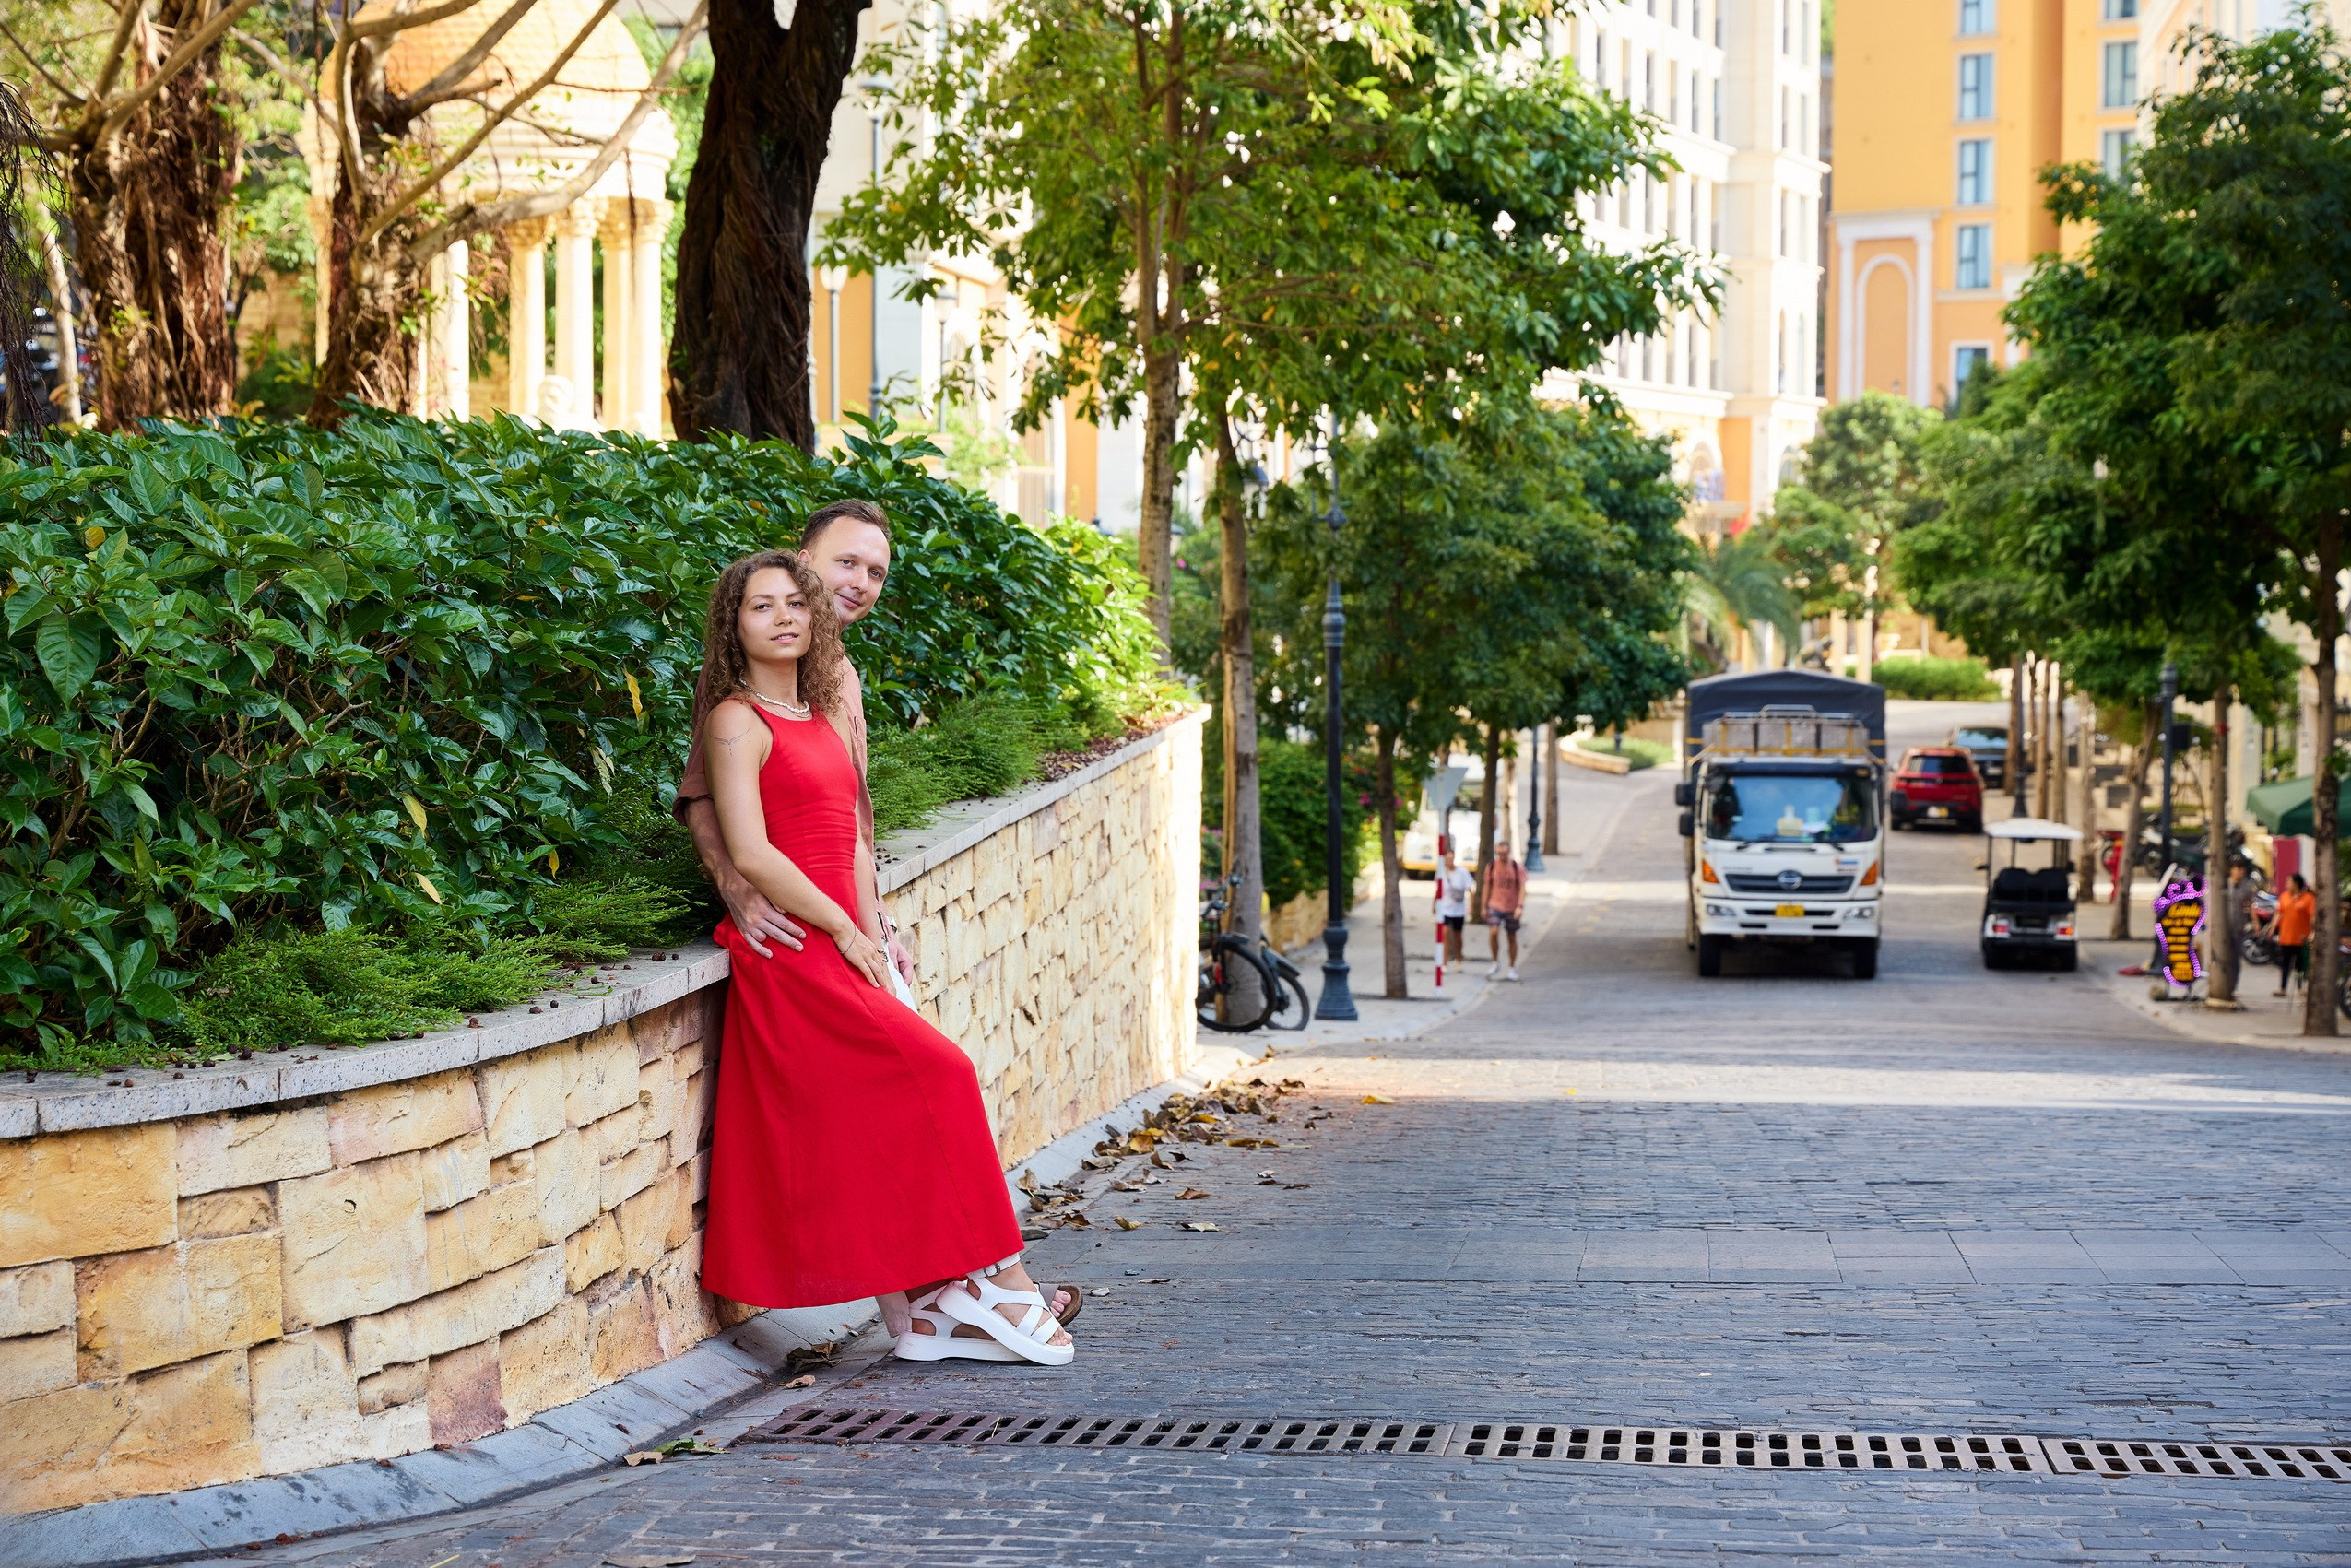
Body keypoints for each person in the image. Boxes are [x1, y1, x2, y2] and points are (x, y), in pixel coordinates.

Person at [694, 550, 1075, 1366]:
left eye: (796, 603)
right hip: (797, 949)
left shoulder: (822, 713)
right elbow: (753, 852)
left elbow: (851, 839)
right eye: (761, 607)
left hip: (846, 942)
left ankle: (932, 1315)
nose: (784, 617)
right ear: (734, 626)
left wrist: (873, 929)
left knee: (895, 1111)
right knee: (941, 1076)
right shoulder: (736, 719)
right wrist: (843, 928)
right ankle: (1001, 1283)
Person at [1482, 838, 1527, 981]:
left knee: (1511, 937)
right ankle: (1495, 961)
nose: (1501, 857)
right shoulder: (1492, 866)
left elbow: (1523, 888)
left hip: (1512, 906)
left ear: (1509, 853)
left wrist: (1520, 906)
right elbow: (1486, 886)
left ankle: (1512, 967)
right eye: (1499, 854)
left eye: (1504, 854)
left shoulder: (1516, 867)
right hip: (1495, 904)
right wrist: (1483, 906)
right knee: (1493, 931)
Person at [2274, 872, 2314, 997]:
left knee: (2300, 966)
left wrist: (2312, 933)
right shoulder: (2284, 896)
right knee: (2285, 964)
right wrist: (2271, 928)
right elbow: (2278, 914)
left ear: (2296, 884)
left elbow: (2312, 916)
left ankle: (2300, 988)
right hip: (2286, 936)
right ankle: (2282, 988)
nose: (2287, 884)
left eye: (2289, 882)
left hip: (2301, 938)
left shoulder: (2308, 898)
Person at [1434, 848, 1473, 965]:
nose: (1450, 860)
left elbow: (1470, 889)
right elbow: (1438, 889)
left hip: (1458, 909)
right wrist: (1434, 904)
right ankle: (1444, 962)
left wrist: (1471, 906)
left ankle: (1458, 959)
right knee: (1445, 933)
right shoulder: (1441, 872)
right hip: (1445, 908)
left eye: (1451, 858)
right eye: (1448, 858)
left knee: (1457, 935)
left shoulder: (1462, 872)